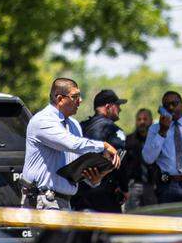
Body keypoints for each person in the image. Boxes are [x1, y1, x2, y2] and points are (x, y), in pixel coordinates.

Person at [20, 78, 119, 210]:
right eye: (75, 96)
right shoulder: (42, 120)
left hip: (65, 202)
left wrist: (94, 178)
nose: (80, 100)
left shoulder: (74, 125)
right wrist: (104, 146)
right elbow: (71, 144)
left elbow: (75, 167)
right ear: (60, 99)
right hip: (43, 200)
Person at [72, 89, 128, 212]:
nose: (120, 109)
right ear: (108, 107)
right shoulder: (114, 130)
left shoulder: (79, 127)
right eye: (117, 105)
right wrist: (124, 188)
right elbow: (118, 162)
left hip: (78, 194)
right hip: (104, 196)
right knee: (112, 230)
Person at [123, 108, 159, 209]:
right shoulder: (129, 141)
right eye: (139, 119)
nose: (142, 122)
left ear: (151, 121)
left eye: (145, 119)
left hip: (152, 187)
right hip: (133, 186)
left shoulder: (157, 141)